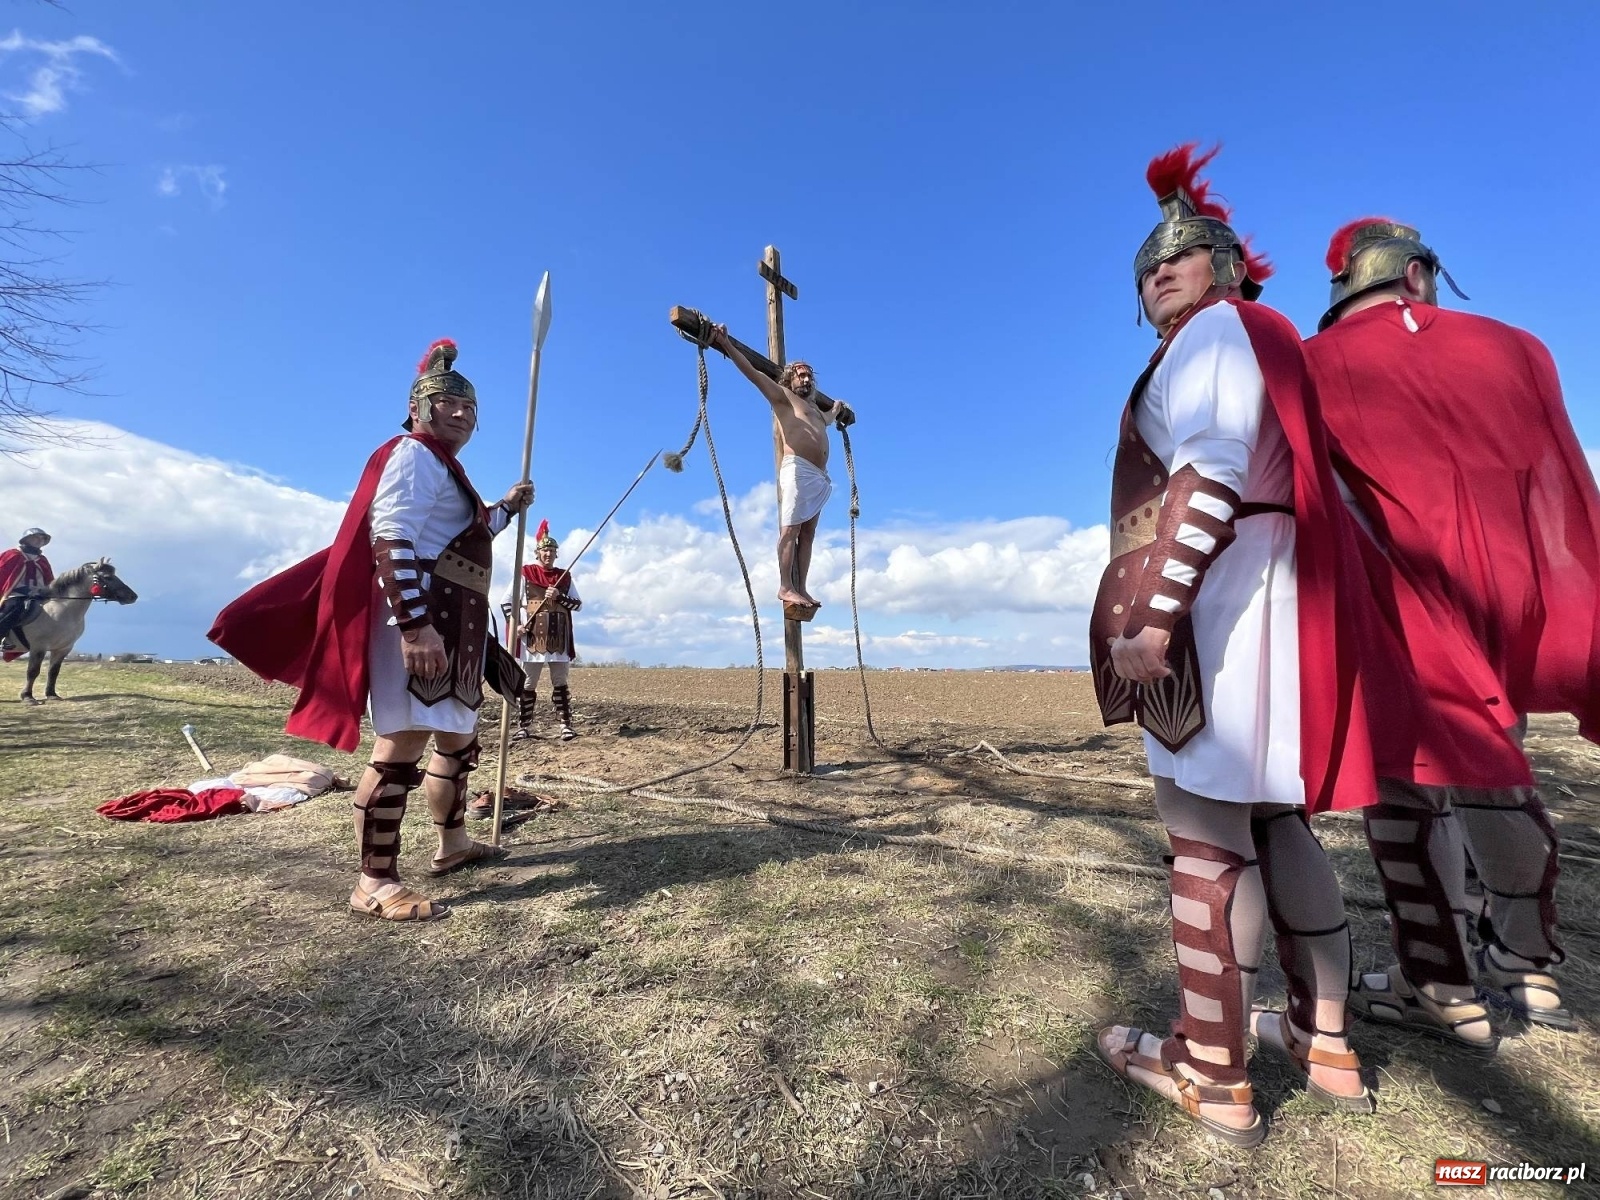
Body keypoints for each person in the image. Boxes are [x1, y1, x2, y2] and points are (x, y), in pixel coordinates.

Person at [1090, 145, 1410, 1145]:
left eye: (1180, 256)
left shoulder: (1217, 333)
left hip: (1226, 598)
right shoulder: (1268, 337)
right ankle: (1325, 1044)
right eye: (1148, 266)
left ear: (1228, 267)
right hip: (1276, 591)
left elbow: (1212, 467)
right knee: (1277, 821)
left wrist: (1154, 612)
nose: (1160, 271)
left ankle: (1212, 1073)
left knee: (1205, 835)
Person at [1306, 218, 1600, 1047]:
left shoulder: (1312, 361)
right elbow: (1555, 473)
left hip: (1399, 594)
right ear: (1417, 275)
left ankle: (1438, 984)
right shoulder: (1518, 347)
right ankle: (1526, 963)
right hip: (1509, 588)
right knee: (1496, 766)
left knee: (1408, 782)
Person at [209, 339, 533, 922]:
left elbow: (473, 528)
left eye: (471, 408)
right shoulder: (413, 455)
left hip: (456, 622)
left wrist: (508, 505)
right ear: (418, 407)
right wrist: (414, 627)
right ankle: (374, 882)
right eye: (450, 403)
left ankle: (453, 844)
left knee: (457, 740)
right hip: (425, 620)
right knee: (402, 746)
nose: (463, 413)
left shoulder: (443, 467)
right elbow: (392, 537)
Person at [708, 326, 850, 612]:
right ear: (789, 378)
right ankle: (785, 586)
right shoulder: (782, 397)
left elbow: (828, 419)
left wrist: (836, 410)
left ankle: (802, 587)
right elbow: (752, 373)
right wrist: (726, 344)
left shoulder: (815, 410)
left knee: (808, 534)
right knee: (791, 529)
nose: (806, 379)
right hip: (797, 469)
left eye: (809, 376)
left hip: (818, 477)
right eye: (801, 375)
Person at [502, 520, 582, 742]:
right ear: (538, 552)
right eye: (545, 550)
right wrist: (515, 625)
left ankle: (565, 725)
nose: (548, 554)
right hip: (533, 637)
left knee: (560, 682)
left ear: (556, 554)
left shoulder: (564, 576)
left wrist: (559, 597)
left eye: (552, 551)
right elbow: (507, 602)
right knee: (528, 683)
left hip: (559, 635)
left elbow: (577, 604)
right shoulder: (526, 573)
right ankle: (523, 726)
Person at [0, 528, 55, 645]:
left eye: (42, 539)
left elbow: (49, 580)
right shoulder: (12, 555)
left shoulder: (42, 560)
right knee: (14, 608)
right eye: (36, 537)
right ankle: (3, 636)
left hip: (40, 595)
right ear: (26, 539)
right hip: (15, 594)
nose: (39, 540)